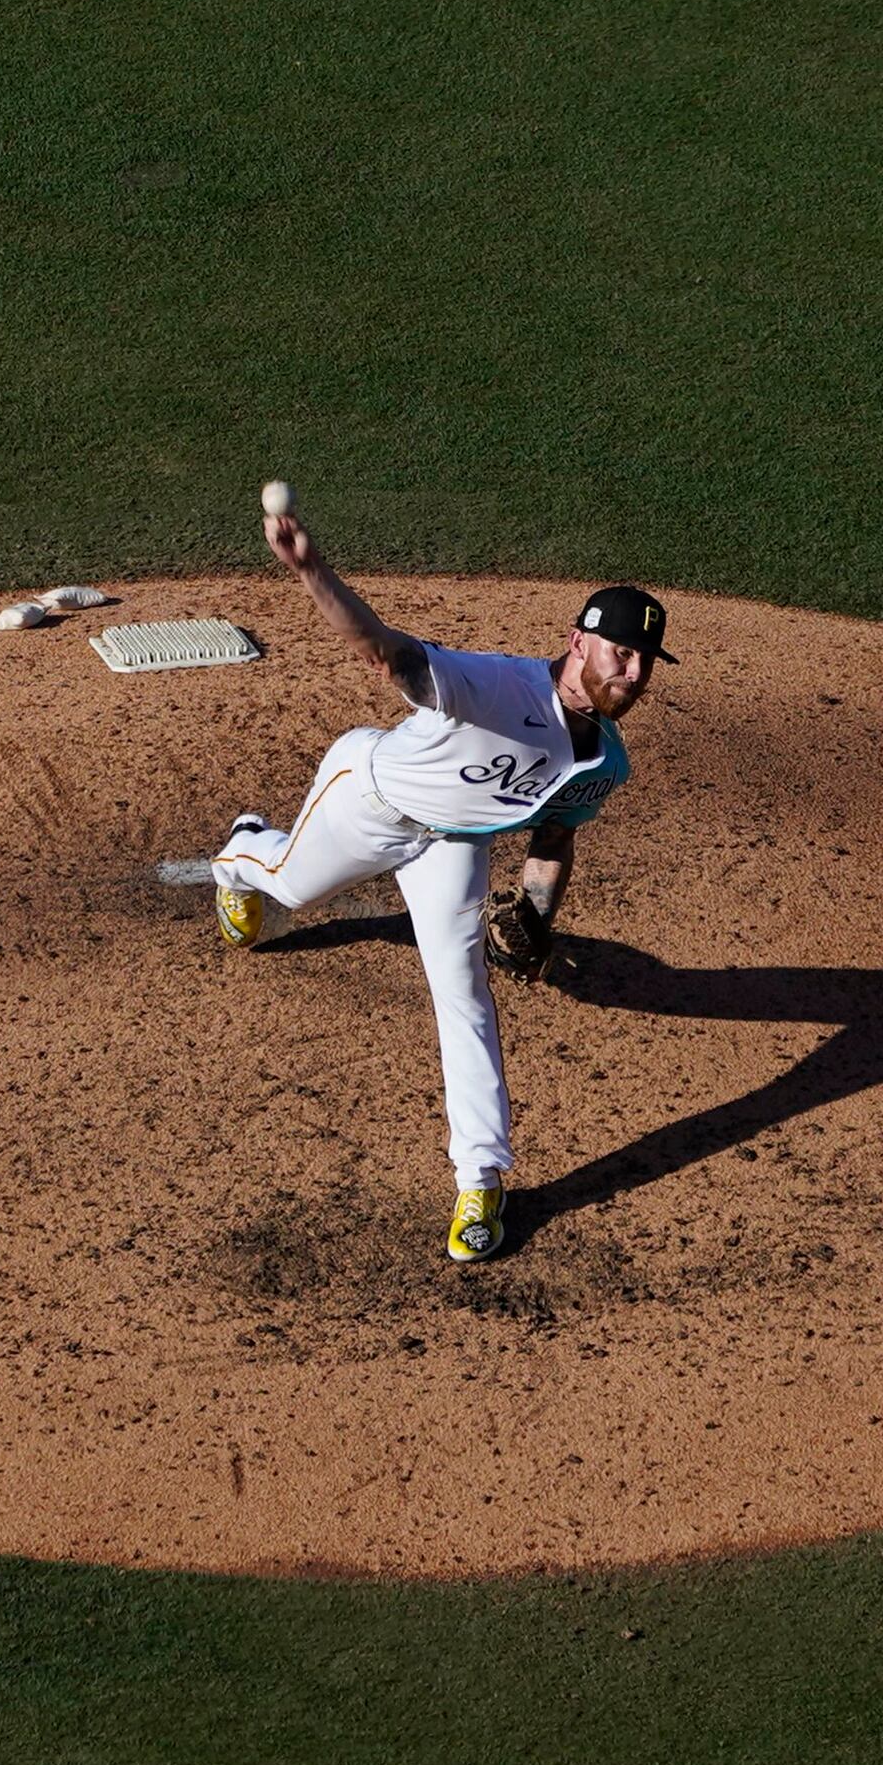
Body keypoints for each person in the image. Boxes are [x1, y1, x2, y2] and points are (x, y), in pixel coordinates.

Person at [211, 509, 669, 1262]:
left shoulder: (606, 764)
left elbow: (555, 835)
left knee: (464, 989)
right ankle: (240, 849)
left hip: (451, 847)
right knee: (287, 886)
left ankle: (480, 1176)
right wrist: (309, 569)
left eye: (647, 661)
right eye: (622, 653)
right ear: (579, 641)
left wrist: (537, 915)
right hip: (369, 798)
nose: (635, 673)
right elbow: (382, 650)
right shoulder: (494, 685)